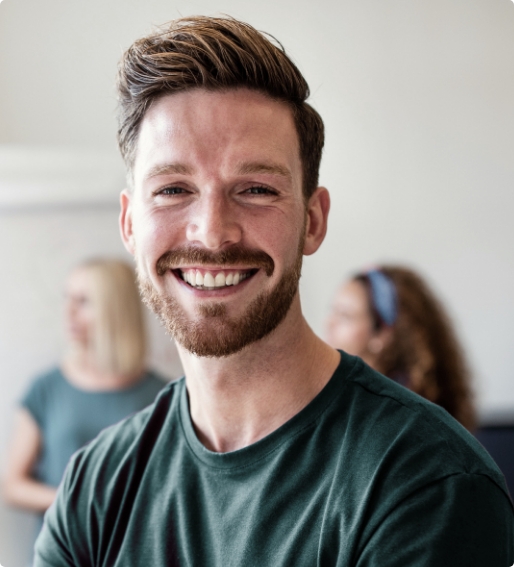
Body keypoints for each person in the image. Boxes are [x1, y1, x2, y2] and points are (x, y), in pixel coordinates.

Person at [34, 16, 513, 566]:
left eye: (256, 189)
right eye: (172, 189)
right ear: (129, 225)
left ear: (312, 220)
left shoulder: (425, 481)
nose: (212, 231)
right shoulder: (93, 488)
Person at [2, 259, 166, 544]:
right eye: (67, 298)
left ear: (115, 310)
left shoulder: (164, 395)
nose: (69, 312)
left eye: (84, 301)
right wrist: (77, 505)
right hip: (61, 549)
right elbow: (13, 485)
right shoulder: (46, 389)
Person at [325, 265, 476, 430]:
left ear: (382, 333)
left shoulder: (404, 416)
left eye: (345, 316)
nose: (329, 324)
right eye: (333, 311)